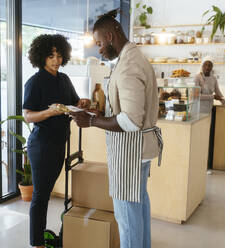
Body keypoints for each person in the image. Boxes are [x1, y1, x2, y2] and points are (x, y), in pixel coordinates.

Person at [70, 11, 163, 248]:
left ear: (110, 36)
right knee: (137, 206)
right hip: (135, 151)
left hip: (130, 153)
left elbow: (131, 121)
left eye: (100, 43)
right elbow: (125, 111)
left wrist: (90, 122)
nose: (99, 49)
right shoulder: (129, 59)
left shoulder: (129, 65)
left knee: (127, 217)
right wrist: (98, 114)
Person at [23, 34, 90, 248]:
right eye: (51, 56)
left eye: (59, 55)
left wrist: (82, 102)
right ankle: (37, 243)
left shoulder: (64, 79)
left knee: (46, 193)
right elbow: (28, 115)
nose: (56, 60)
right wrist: (49, 113)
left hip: (59, 142)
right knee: (41, 196)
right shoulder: (34, 82)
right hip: (42, 145)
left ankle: (44, 239)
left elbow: (72, 103)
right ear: (41, 57)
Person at [194, 58, 225, 174]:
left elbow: (218, 92)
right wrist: (213, 97)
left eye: (210, 65)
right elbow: (196, 96)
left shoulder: (213, 79)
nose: (207, 67)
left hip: (208, 110)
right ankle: (197, 165)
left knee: (207, 138)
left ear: (212, 67)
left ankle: (206, 166)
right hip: (198, 112)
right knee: (199, 138)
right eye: (205, 65)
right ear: (202, 66)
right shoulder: (197, 78)